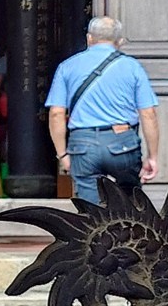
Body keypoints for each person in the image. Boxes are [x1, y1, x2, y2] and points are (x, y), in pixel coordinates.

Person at [44, 17, 160, 204]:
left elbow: (56, 113)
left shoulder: (67, 66)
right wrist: (152, 157)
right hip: (123, 142)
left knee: (91, 212)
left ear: (89, 38)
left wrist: (62, 155)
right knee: (130, 205)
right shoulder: (132, 67)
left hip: (83, 145)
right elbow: (148, 114)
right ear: (120, 42)